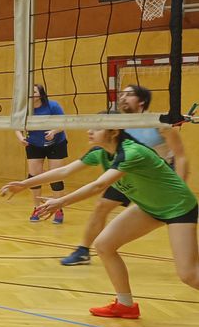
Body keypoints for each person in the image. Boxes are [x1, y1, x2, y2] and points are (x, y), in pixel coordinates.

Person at [1, 126, 199, 319]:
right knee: (104, 245)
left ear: (113, 132)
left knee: (188, 275)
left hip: (178, 207)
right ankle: (125, 305)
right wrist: (25, 184)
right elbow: (65, 171)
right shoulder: (100, 152)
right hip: (149, 206)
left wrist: (61, 201)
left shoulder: (131, 153)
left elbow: (99, 185)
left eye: (97, 128)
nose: (89, 131)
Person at [60, 83, 188, 266]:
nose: (122, 98)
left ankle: (187, 258)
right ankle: (83, 251)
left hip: (155, 180)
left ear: (142, 101)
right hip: (125, 173)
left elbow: (180, 156)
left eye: (129, 95)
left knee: (171, 219)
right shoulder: (118, 125)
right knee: (101, 206)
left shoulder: (159, 123)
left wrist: (180, 184)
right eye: (122, 94)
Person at [14, 84, 68, 223]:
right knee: (34, 177)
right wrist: (21, 138)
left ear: (41, 94)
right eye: (29, 91)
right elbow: (17, 125)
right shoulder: (25, 108)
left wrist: (54, 131)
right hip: (34, 144)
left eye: (34, 91)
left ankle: (58, 209)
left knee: (55, 177)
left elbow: (64, 123)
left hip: (56, 143)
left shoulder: (53, 106)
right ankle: (37, 208)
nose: (31, 94)